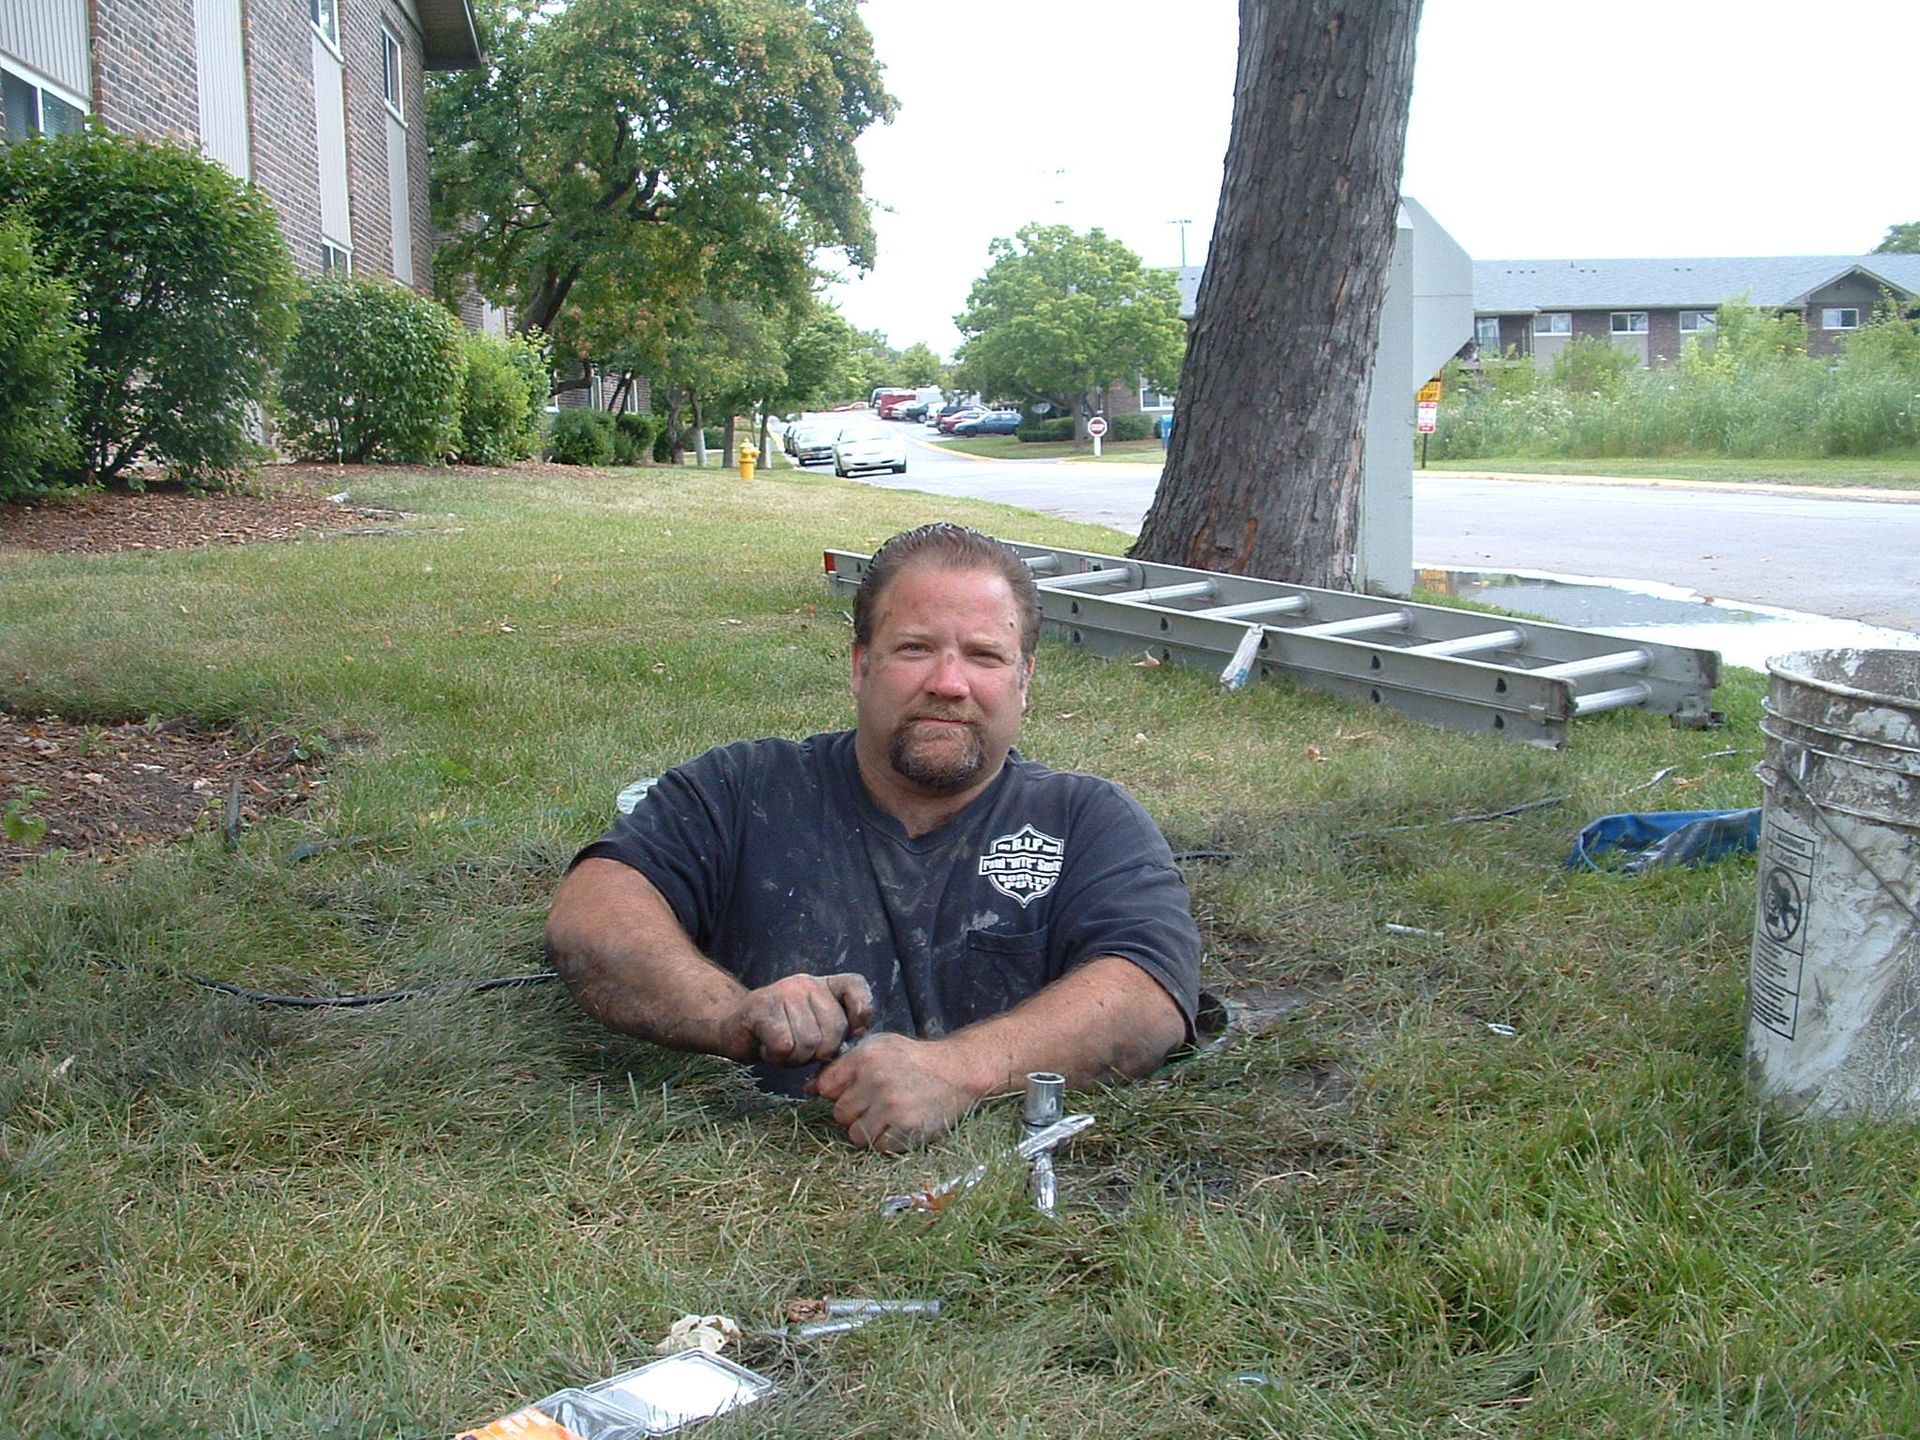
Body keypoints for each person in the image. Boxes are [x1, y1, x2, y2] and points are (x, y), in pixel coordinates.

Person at [544, 523, 1202, 1152]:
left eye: (983, 656)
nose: (948, 683)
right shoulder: (742, 789)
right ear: (861, 666)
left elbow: (1149, 996)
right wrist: (731, 1015)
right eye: (915, 648)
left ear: (1024, 681)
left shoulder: (1088, 820)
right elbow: (594, 912)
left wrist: (961, 1072)